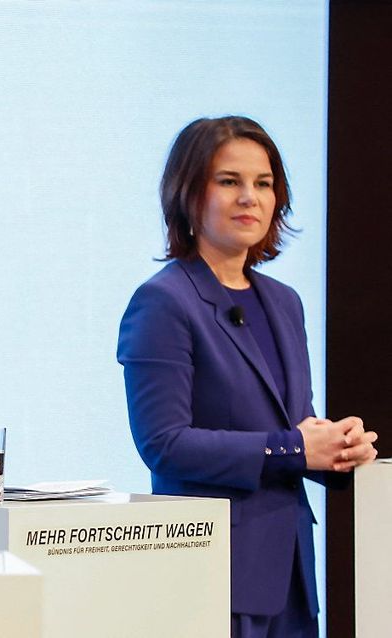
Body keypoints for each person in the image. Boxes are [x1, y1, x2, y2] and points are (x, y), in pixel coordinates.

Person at [117, 115, 378, 637]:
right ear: (188, 193)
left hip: (291, 575)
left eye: (263, 184)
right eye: (229, 181)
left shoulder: (284, 302)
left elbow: (294, 424)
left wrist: (337, 450)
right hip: (213, 570)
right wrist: (293, 449)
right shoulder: (163, 302)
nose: (250, 198)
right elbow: (164, 444)